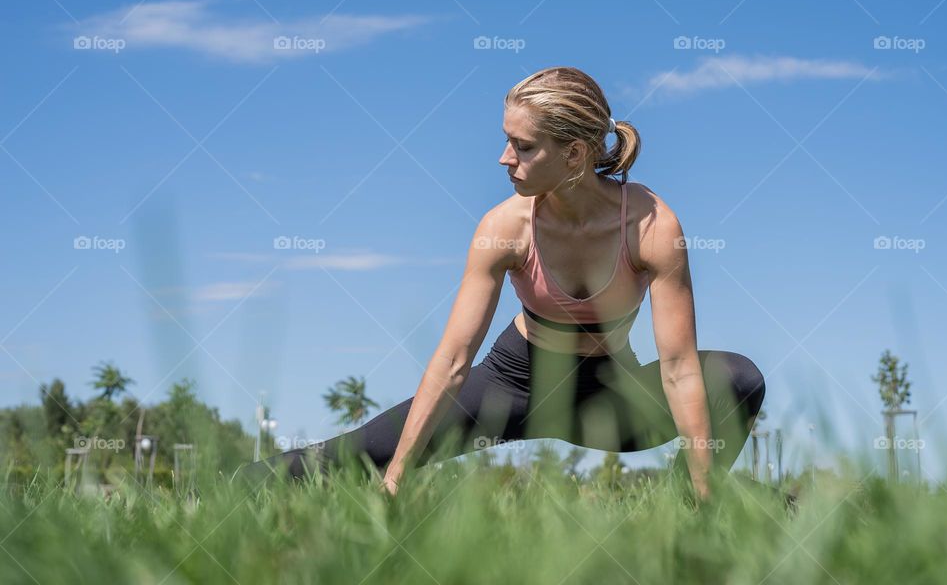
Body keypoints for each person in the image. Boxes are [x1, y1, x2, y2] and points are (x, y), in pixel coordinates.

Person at [234, 66, 766, 502]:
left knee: (738, 377)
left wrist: (703, 488)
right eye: (506, 141)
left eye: (523, 146)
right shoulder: (504, 227)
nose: (504, 158)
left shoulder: (651, 226)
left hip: (606, 396)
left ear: (575, 153)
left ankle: (686, 508)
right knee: (343, 457)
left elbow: (677, 368)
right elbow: (454, 356)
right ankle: (231, 487)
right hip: (511, 385)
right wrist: (398, 473)